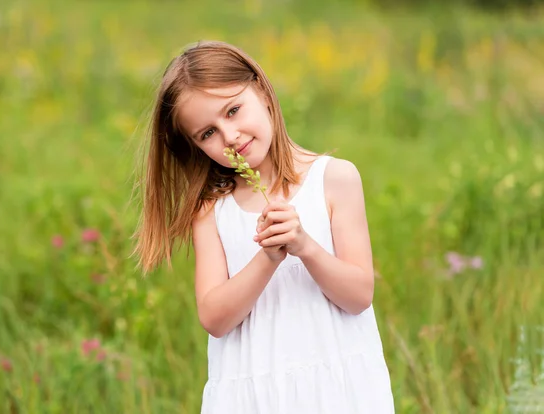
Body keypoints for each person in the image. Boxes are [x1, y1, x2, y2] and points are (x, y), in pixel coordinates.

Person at [133, 40, 395, 413]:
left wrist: (304, 245)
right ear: (195, 146)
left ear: (262, 91)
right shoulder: (211, 210)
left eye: (234, 110)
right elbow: (214, 317)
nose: (230, 136)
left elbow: (359, 295)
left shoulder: (334, 179)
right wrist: (267, 257)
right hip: (253, 395)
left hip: (336, 390)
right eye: (207, 133)